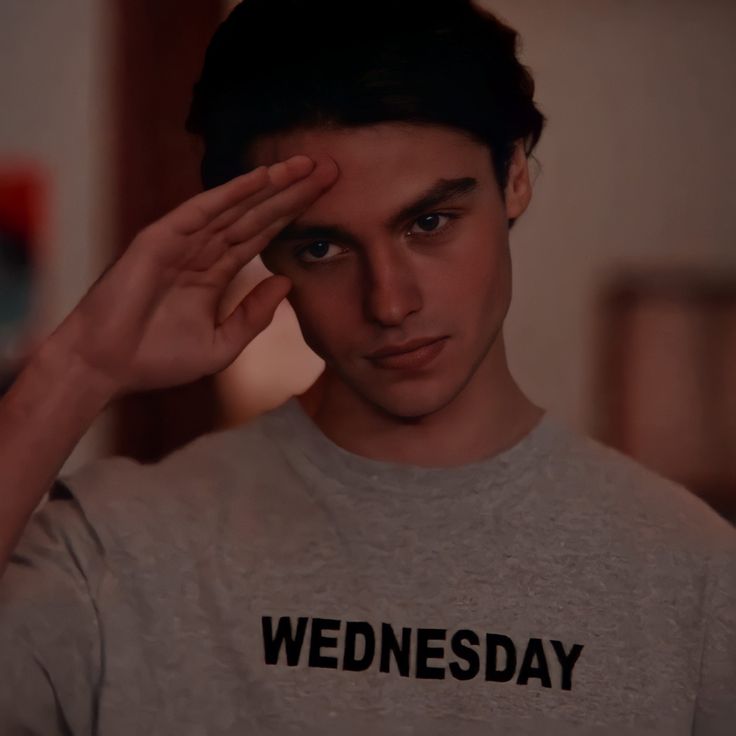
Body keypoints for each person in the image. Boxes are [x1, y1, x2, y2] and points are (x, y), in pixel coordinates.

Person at [0, 0, 733, 733]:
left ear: (514, 176)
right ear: (264, 250)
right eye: (322, 248)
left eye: (428, 222)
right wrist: (78, 366)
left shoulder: (695, 578)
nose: (389, 302)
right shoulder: (113, 550)